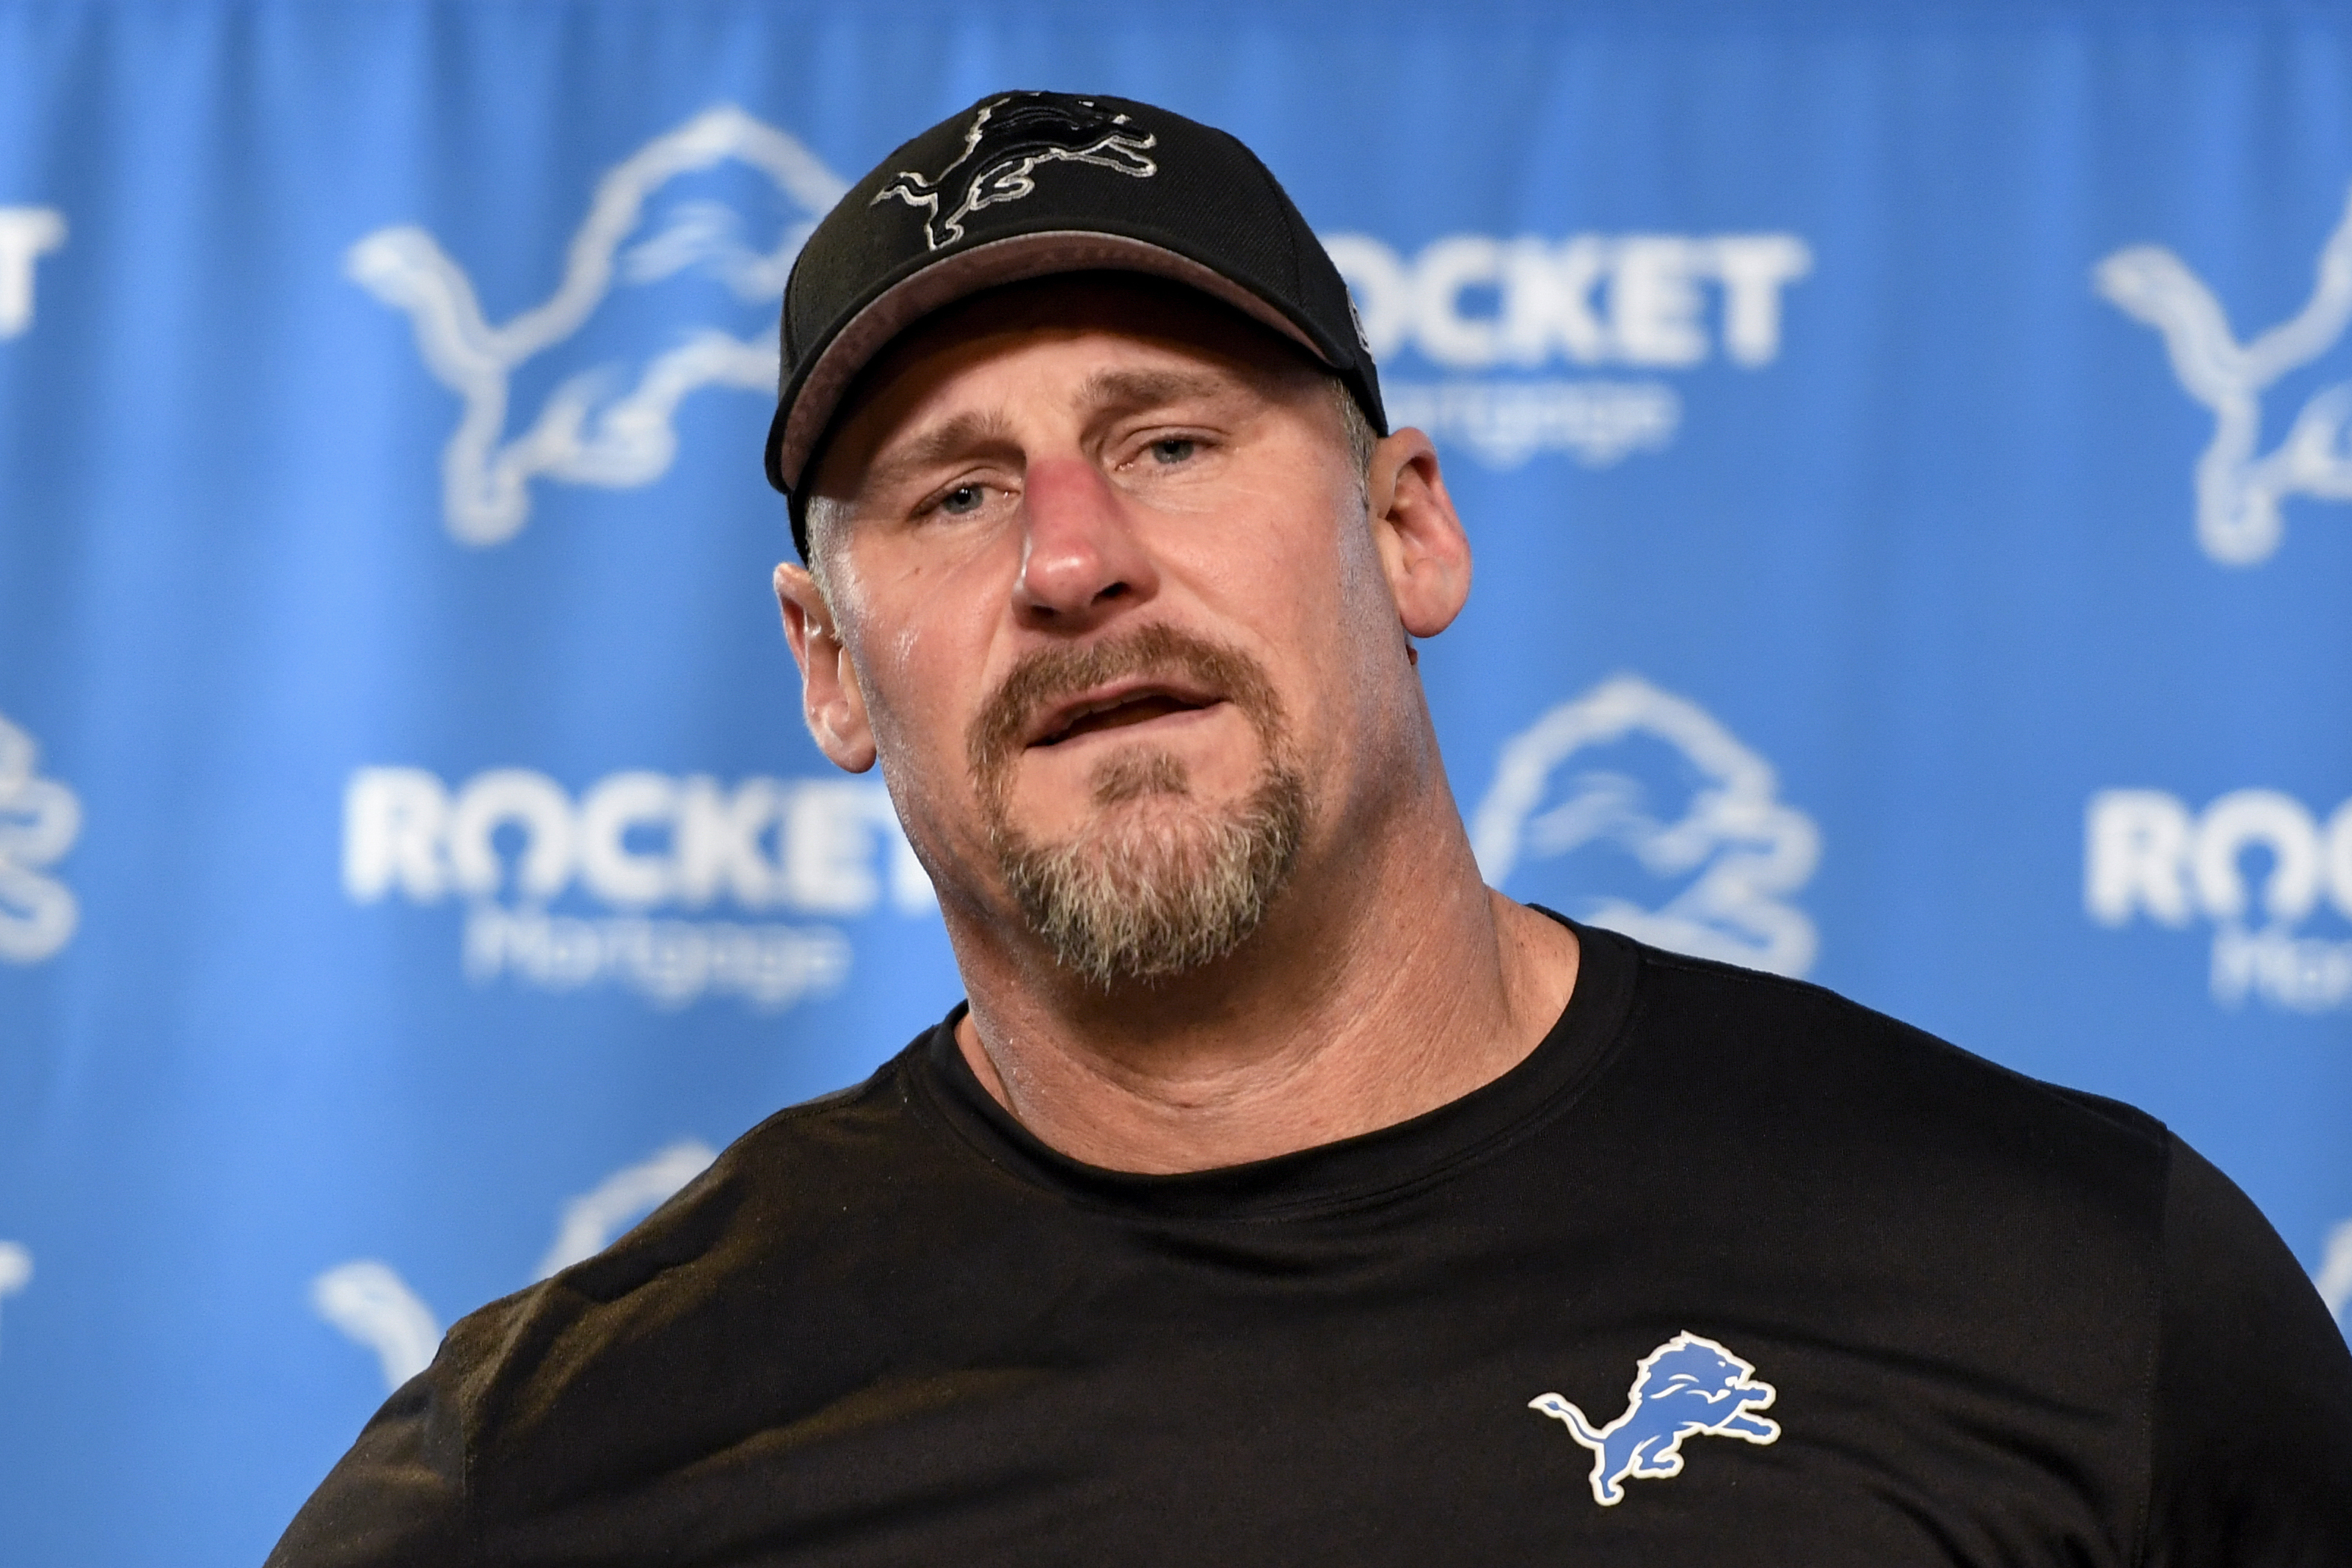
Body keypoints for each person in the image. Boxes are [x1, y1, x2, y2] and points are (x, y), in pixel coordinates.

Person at [269, 90, 2352, 1567]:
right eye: (955, 494)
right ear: (829, 665)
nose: (1076, 563)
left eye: (1168, 442)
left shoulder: (2070, 1277)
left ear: (1409, 523)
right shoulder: (558, 1470)